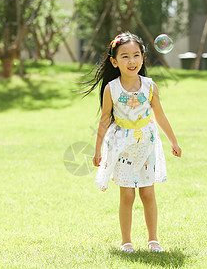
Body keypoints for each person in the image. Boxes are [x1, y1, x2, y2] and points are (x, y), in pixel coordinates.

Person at [82, 32, 182, 253]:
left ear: (143, 58)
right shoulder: (112, 89)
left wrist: (173, 141)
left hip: (146, 144)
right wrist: (97, 150)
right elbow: (104, 119)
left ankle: (153, 239)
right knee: (127, 194)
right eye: (125, 56)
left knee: (148, 192)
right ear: (114, 61)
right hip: (122, 146)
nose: (132, 61)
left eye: (136, 55)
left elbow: (160, 116)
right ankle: (126, 241)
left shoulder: (149, 86)